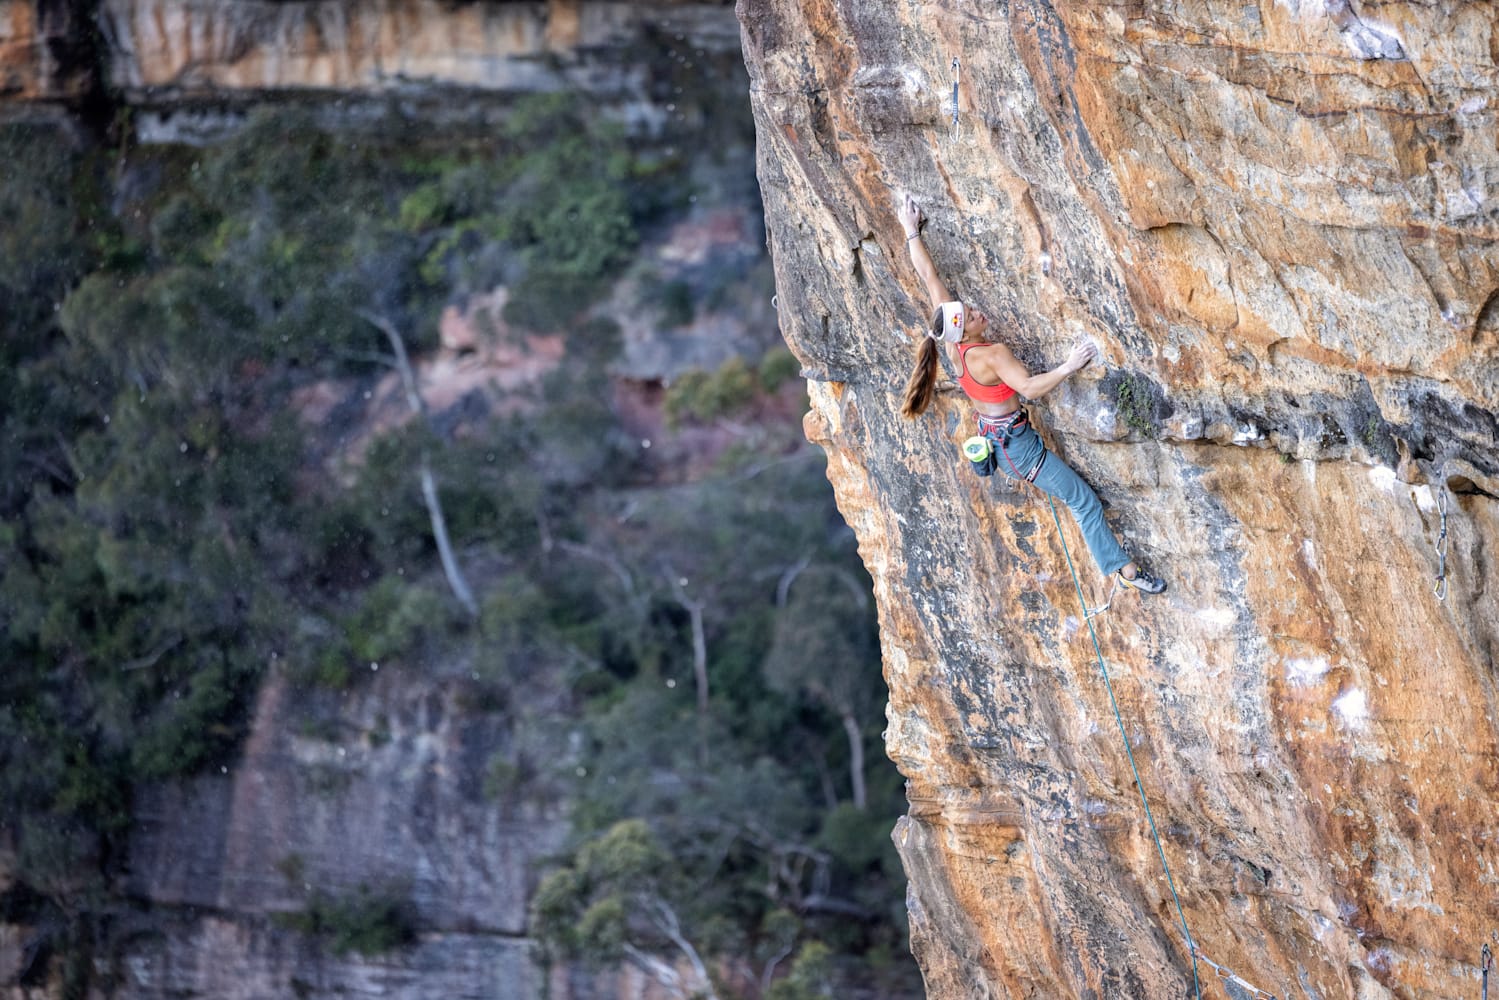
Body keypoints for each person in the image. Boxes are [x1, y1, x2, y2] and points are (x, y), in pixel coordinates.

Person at [895, 193, 1166, 594]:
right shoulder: (990, 354)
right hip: (1020, 450)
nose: (976, 313)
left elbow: (930, 279)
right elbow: (1029, 388)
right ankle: (1124, 572)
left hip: (1001, 441)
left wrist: (911, 232)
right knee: (1083, 501)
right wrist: (1069, 366)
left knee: (1080, 499)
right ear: (964, 331)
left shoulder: (954, 346)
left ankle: (1121, 568)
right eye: (970, 317)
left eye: (969, 308)